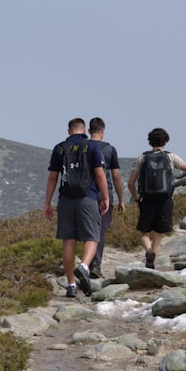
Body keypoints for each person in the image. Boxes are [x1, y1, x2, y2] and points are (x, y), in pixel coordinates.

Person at [127, 127, 186, 269]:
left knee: (144, 233)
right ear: (166, 141)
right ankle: (152, 264)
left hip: (146, 200)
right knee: (158, 234)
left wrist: (137, 198)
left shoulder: (142, 157)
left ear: (149, 142)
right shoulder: (171, 157)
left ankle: (148, 251)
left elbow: (131, 182)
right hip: (165, 200)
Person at [45, 118, 110, 298]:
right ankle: (84, 266)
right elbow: (99, 174)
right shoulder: (92, 146)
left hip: (66, 199)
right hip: (87, 197)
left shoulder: (59, 148)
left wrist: (47, 203)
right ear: (84, 131)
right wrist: (105, 197)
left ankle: (71, 284)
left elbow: (52, 178)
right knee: (92, 235)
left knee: (68, 241)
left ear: (68, 131)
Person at [88, 117, 125, 279]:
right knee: (100, 231)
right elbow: (116, 176)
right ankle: (95, 265)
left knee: (88, 230)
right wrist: (121, 199)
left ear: (89, 131)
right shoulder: (110, 150)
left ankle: (86, 264)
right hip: (104, 194)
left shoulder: (83, 148)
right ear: (103, 131)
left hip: (85, 194)